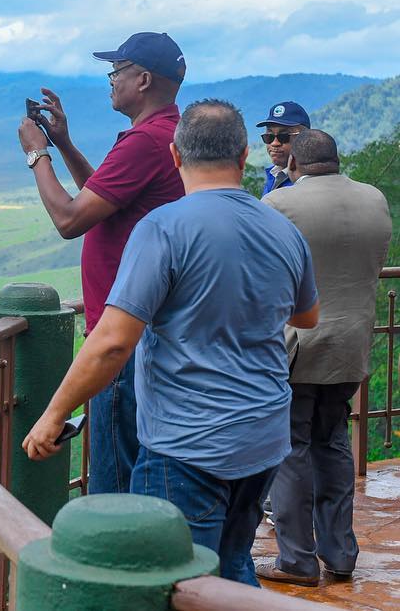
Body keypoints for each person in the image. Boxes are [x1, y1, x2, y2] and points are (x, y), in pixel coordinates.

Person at [22, 99, 320, 585]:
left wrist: (53, 415)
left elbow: (113, 343)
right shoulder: (282, 229)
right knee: (233, 561)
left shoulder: (164, 228)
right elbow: (306, 315)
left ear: (176, 157)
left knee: (174, 581)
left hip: (188, 444)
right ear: (244, 157)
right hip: (264, 437)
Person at [17, 31, 186, 494]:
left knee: (113, 479)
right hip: (147, 328)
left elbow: (70, 220)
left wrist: (37, 153)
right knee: (138, 465)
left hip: (123, 335)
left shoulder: (145, 142)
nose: (110, 81)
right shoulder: (164, 135)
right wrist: (66, 143)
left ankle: (113, 564)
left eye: (117, 72)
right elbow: (106, 198)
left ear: (144, 79)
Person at [255, 130, 392, 586]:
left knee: (290, 448)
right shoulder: (373, 199)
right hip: (352, 345)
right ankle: (341, 554)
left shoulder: (280, 205)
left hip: (297, 345)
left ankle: (296, 559)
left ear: (293, 162)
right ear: (337, 159)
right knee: (332, 442)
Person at [256, 101, 311, 196]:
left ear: (304, 138)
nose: (275, 143)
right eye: (269, 136)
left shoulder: (309, 181)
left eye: (284, 136)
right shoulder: (273, 175)